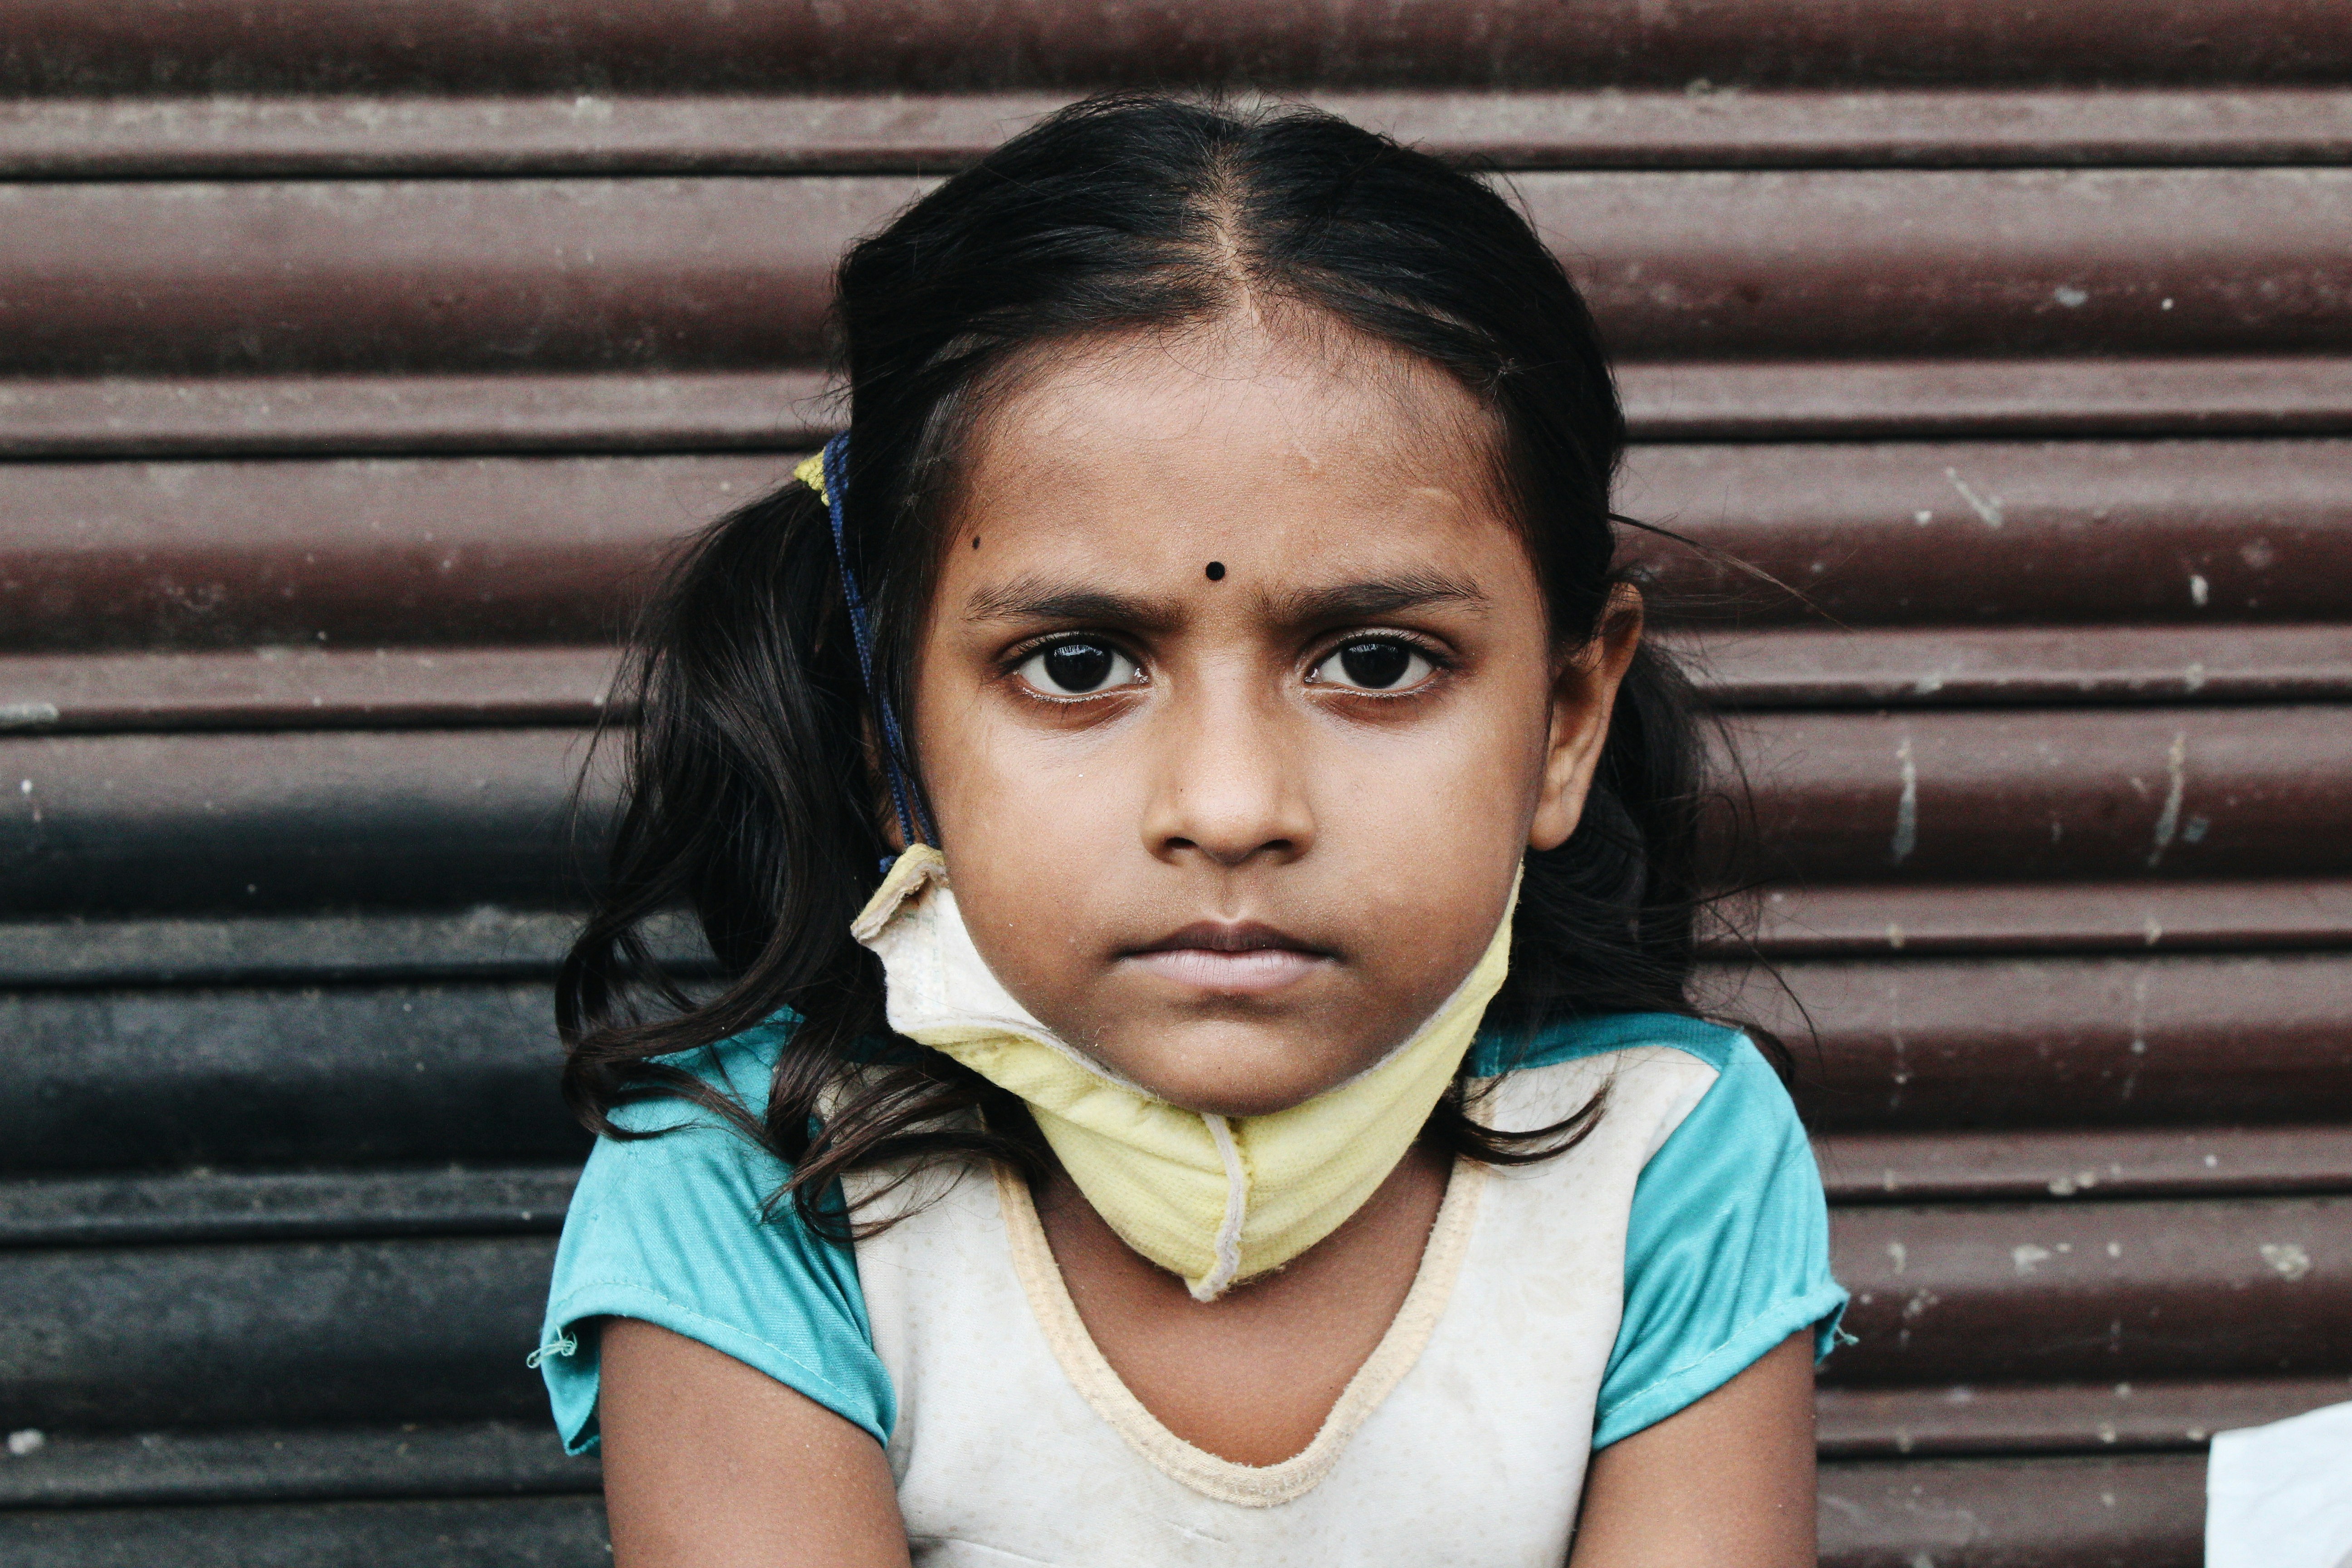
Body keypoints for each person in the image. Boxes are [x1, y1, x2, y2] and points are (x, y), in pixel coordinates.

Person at [534, 94, 1846, 1567]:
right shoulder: (755, 1177)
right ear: (886, 744)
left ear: (1564, 720)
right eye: (1079, 666)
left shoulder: (1662, 1159)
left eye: (1376, 661)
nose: (1230, 809)